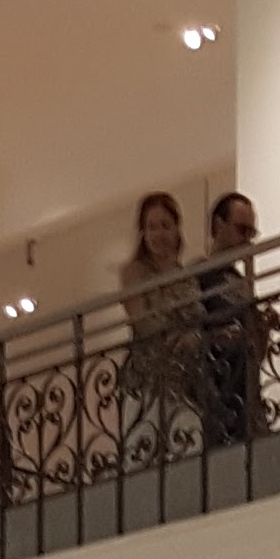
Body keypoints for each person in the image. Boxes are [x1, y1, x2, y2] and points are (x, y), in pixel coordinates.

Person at [118, 189, 196, 459]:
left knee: (189, 449)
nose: (158, 234)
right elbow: (142, 319)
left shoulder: (186, 276)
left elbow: (198, 321)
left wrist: (191, 336)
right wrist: (178, 332)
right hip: (145, 379)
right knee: (141, 454)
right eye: (151, 227)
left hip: (183, 380)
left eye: (165, 225)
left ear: (176, 229)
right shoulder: (133, 272)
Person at [194, 190, 268, 445]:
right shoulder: (198, 275)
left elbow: (258, 350)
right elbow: (189, 332)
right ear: (218, 225)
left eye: (251, 233)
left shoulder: (240, 281)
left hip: (246, 396)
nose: (246, 240)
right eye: (241, 229)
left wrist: (262, 326)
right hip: (215, 397)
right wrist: (216, 337)